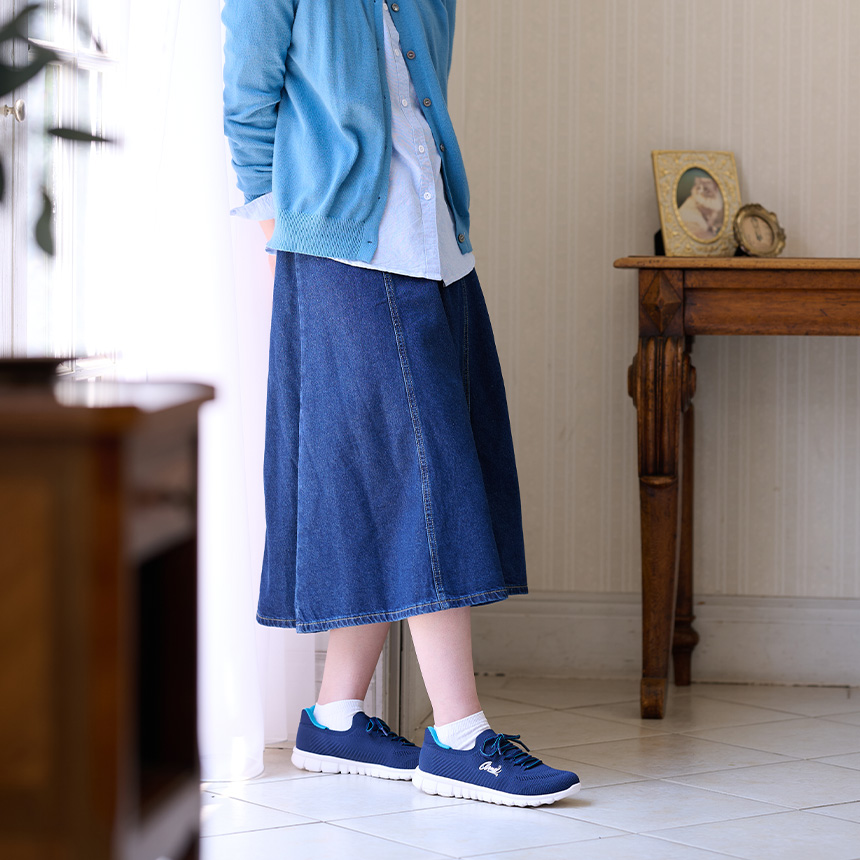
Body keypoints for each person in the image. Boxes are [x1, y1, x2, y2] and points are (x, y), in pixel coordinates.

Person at [222, 0, 580, 807]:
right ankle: (459, 735)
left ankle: (336, 715)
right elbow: (247, 96)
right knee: (428, 479)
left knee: (392, 479)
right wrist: (278, 224)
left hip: (436, 246)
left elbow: (420, 103)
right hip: (342, 248)